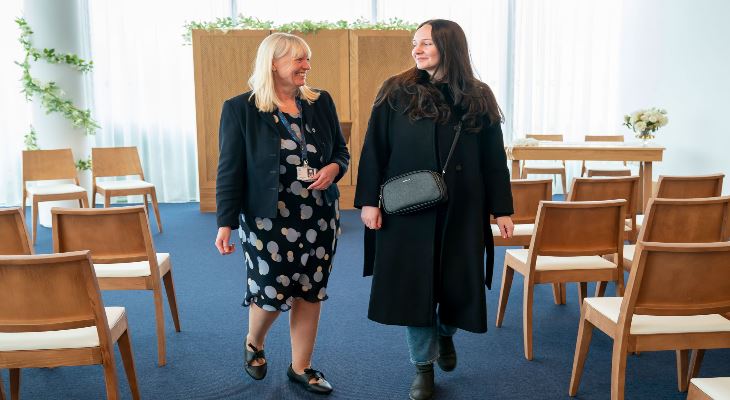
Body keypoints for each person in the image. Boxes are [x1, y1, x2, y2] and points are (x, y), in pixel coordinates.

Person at [354, 19, 514, 400]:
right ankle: (422, 368)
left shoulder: (478, 95)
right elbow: (374, 149)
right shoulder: (396, 90)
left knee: (459, 284)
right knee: (415, 290)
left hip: (464, 209)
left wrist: (502, 209)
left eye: (426, 43)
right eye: (415, 43)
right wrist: (368, 202)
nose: (417, 49)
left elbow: (494, 159)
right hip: (408, 210)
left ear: (449, 45)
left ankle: (446, 334)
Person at [214, 32, 349, 395]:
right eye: (298, 60)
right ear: (273, 63)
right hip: (266, 221)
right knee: (271, 292)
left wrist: (334, 169)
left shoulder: (320, 102)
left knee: (309, 290)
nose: (306, 66)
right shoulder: (240, 108)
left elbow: (341, 150)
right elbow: (230, 170)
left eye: (308, 59)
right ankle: (254, 342)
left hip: (319, 216)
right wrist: (225, 223)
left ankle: (300, 366)